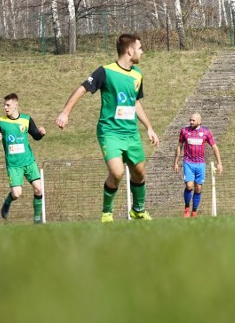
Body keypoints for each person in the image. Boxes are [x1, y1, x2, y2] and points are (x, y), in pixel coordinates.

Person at [55, 34, 160, 222]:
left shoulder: (137, 75)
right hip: (110, 132)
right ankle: (107, 212)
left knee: (140, 172)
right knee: (117, 172)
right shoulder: (105, 71)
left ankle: (138, 210)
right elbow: (82, 89)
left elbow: (135, 103)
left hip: (131, 133)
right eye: (140, 48)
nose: (142, 51)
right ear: (130, 50)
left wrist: (149, 128)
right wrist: (65, 112)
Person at [0, 93, 47, 223]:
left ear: (16, 105)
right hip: (13, 165)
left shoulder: (26, 119)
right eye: (4, 105)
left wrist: (41, 133)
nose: (5, 107)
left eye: (8, 105)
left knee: (39, 189)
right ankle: (7, 201)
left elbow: (36, 137)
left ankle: (37, 219)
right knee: (17, 194)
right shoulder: (1, 122)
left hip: (29, 162)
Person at [174, 113, 223, 218]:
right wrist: (176, 162)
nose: (191, 122)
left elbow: (214, 147)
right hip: (188, 162)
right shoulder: (184, 131)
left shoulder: (206, 132)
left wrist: (219, 163)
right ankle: (187, 207)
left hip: (200, 164)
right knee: (189, 185)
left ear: (199, 121)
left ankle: (194, 211)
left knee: (198, 188)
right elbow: (179, 146)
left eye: (193, 120)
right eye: (190, 120)